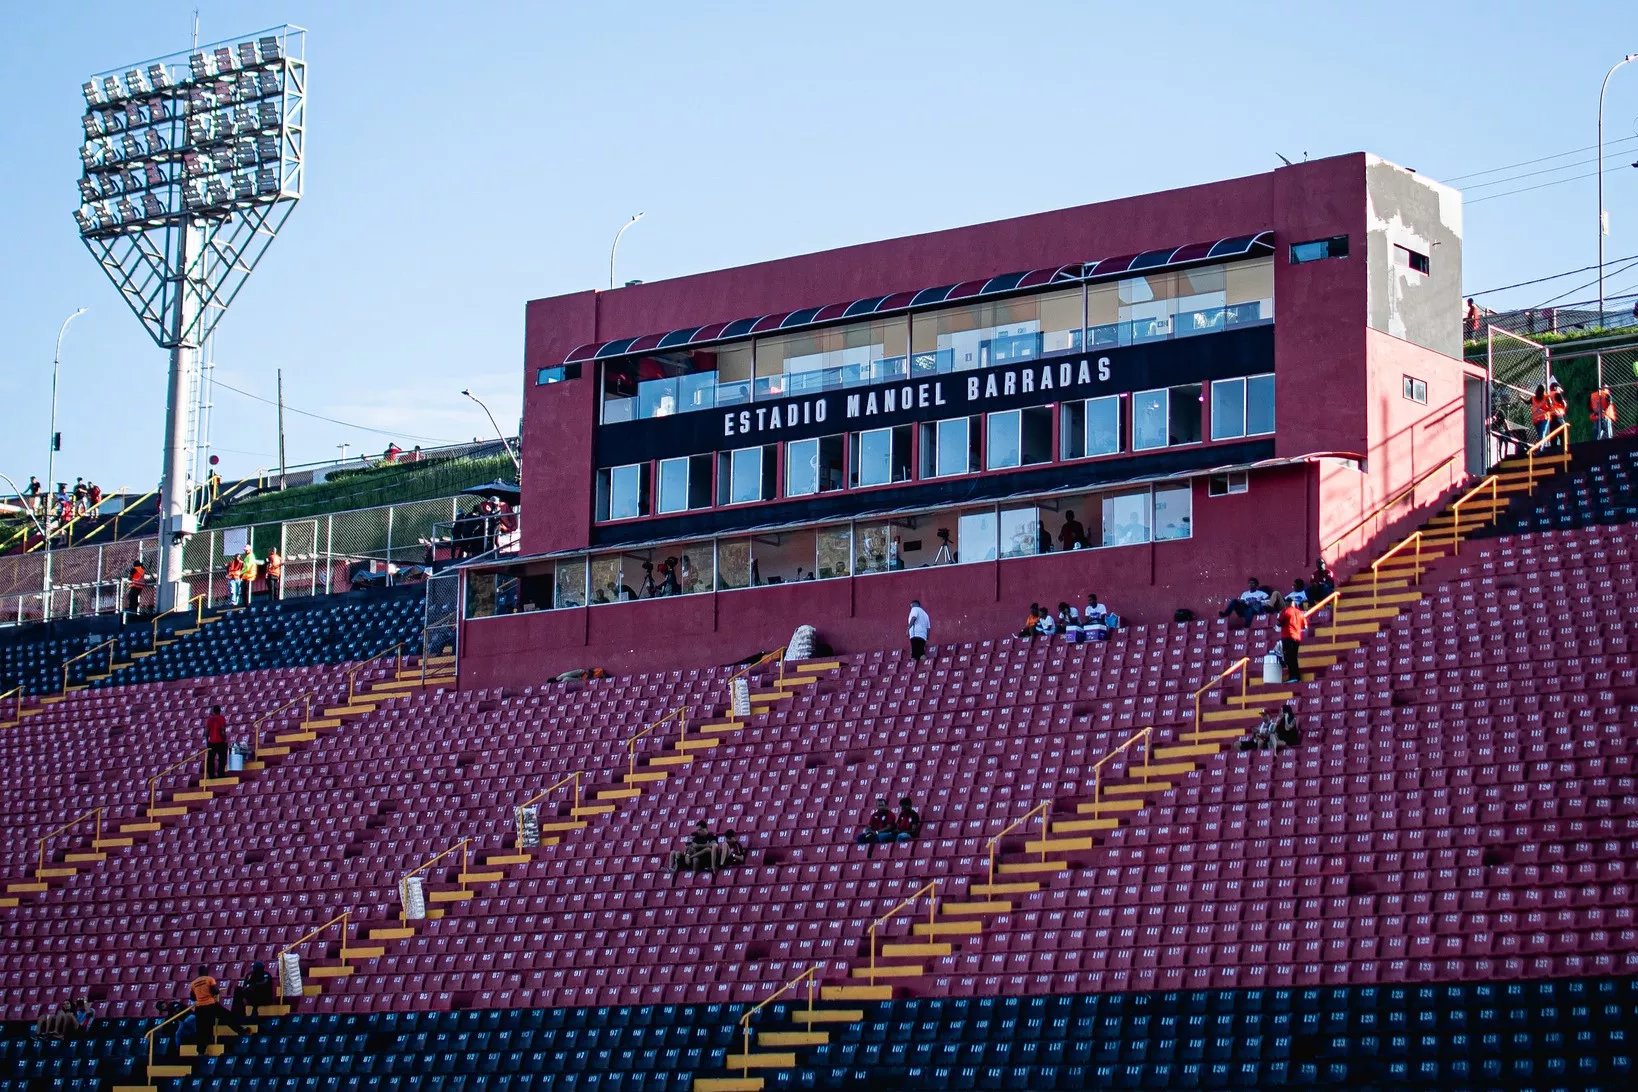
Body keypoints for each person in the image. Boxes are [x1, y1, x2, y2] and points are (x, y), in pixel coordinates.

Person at [187, 966, 243, 1051]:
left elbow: (192, 998)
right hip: (210, 1004)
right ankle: (241, 1031)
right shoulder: (209, 979)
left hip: (199, 1008)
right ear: (206, 972)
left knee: (201, 1029)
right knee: (227, 1017)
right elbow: (215, 991)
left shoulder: (193, 983)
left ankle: (201, 1050)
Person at [1276, 595, 1307, 683]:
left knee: (1289, 658)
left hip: (1288, 636)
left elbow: (1279, 623)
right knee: (1294, 657)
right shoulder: (1300, 612)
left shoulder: (1285, 611)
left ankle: (1293, 676)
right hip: (1297, 637)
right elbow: (1304, 626)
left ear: (1287, 603)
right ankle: (1297, 677)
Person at [205, 704, 229, 780]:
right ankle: (221, 774)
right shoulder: (221, 718)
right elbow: (222, 730)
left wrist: (207, 739)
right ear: (219, 711)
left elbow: (207, 731)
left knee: (210, 759)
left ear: (213, 711)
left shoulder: (209, 719)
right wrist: (224, 739)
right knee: (222, 758)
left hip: (211, 742)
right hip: (220, 742)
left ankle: (211, 775)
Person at [1548, 381, 1569, 446]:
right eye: (1559, 388)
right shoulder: (1556, 394)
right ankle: (1564, 451)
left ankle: (1553, 451)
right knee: (1563, 436)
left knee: (1553, 437)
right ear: (1555, 387)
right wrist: (1564, 404)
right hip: (1558, 416)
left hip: (1551, 418)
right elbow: (1564, 404)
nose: (1560, 390)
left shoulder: (1548, 395)